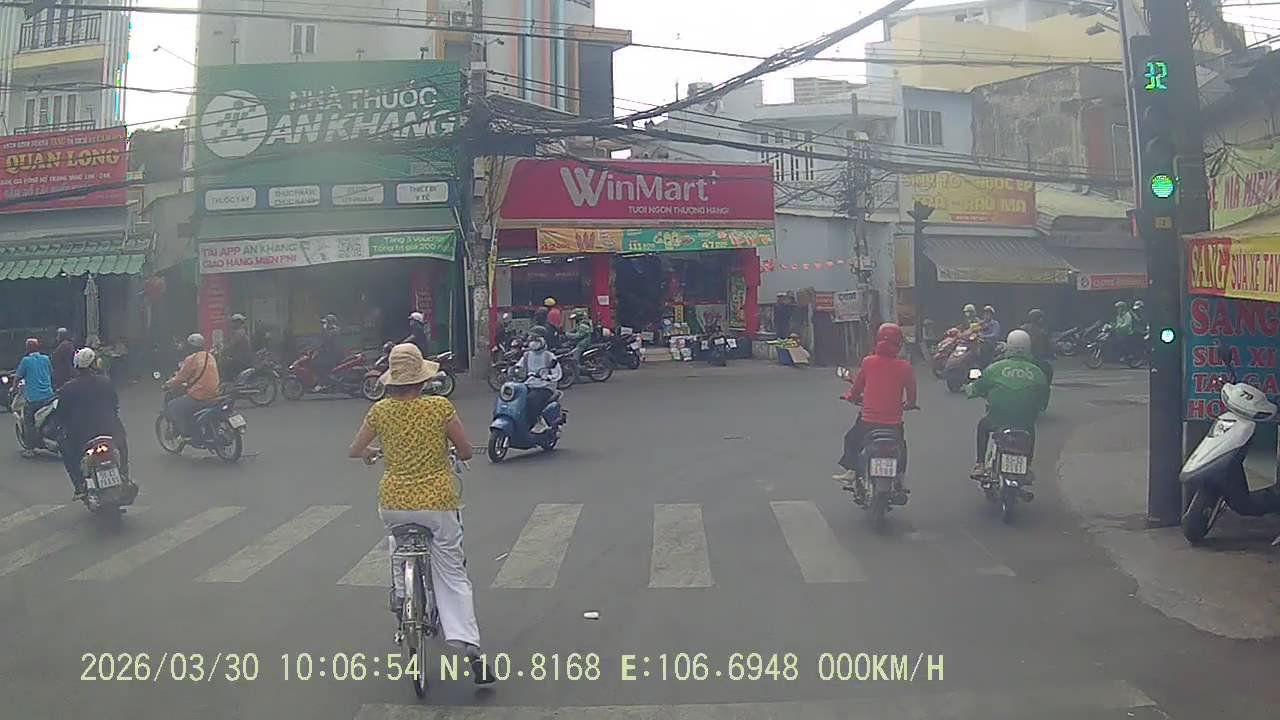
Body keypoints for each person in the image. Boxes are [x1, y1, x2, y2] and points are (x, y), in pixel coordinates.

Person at [346, 343, 495, 685]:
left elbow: (355, 449)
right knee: (452, 574)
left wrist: (372, 453)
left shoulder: (379, 411)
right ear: (422, 379)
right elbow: (465, 451)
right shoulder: (439, 407)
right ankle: (471, 650)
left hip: (394, 503)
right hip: (437, 503)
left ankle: (402, 594)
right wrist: (452, 453)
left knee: (398, 546)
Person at [833, 323, 918, 490]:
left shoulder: (868, 362)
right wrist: (910, 404)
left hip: (868, 421)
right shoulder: (905, 366)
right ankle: (900, 477)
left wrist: (850, 397)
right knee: (900, 446)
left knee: (851, 439)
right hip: (893, 423)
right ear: (899, 343)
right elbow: (912, 392)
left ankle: (851, 470)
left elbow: (857, 387)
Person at [966, 329, 1049, 479]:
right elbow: (1043, 401)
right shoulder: (1038, 372)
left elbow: (976, 389)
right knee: (1030, 432)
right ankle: (1027, 466)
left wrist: (970, 389)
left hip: (997, 420)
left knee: (983, 426)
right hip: (1024, 423)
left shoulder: (995, 368)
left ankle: (980, 464)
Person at [57, 348, 128, 499]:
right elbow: (115, 405)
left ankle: (79, 485)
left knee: (66, 450)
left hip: (81, 435)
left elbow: (61, 414)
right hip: (110, 430)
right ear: (94, 364)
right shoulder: (106, 382)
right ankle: (124, 474)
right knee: (122, 443)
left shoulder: (67, 388)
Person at [163, 333, 221, 442]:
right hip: (215, 393)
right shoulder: (210, 356)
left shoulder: (191, 359)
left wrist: (167, 384)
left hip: (199, 395)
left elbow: (180, 378)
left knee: (173, 406)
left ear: (190, 346)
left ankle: (186, 434)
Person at [515, 326, 563, 432]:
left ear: (543, 340)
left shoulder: (549, 356)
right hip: (528, 385)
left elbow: (557, 373)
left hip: (544, 387)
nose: (533, 342)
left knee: (531, 400)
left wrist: (548, 377)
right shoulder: (527, 356)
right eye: (531, 339)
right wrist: (515, 372)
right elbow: (518, 367)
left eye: (536, 339)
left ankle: (537, 422)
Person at [15, 338, 55, 458]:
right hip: (50, 396)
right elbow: (51, 374)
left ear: (27, 349)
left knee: (29, 422)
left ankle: (30, 448)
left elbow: (18, 377)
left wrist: (13, 388)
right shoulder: (46, 358)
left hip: (34, 399)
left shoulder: (26, 361)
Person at [1020, 308, 1055, 385]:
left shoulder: (1024, 328)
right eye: (1040, 317)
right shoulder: (1040, 331)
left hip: (1031, 356)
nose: (1042, 319)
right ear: (1035, 318)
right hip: (1035, 356)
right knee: (1047, 370)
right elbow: (1047, 346)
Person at [314, 314, 343, 389]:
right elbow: (323, 341)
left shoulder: (335, 329)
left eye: (327, 322)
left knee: (320, 364)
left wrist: (325, 329)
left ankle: (323, 382)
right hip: (329, 352)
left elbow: (329, 337)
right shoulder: (329, 329)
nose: (325, 324)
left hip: (334, 353)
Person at [221, 314, 254, 380]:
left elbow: (231, 345)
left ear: (238, 322)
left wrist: (223, 349)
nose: (231, 324)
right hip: (240, 358)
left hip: (240, 360)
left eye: (233, 322)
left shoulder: (239, 333)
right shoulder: (239, 332)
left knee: (226, 368)